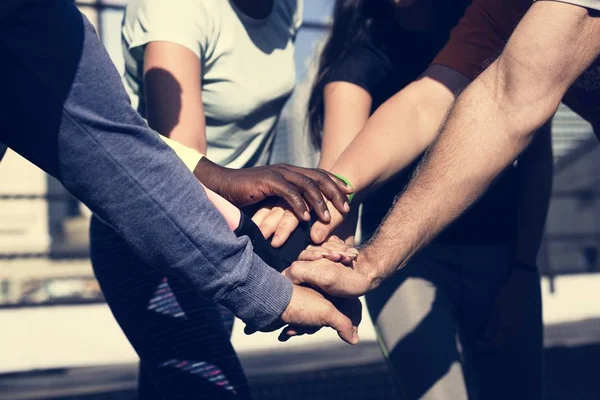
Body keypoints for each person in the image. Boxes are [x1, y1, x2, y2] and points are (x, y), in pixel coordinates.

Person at [0, 1, 359, 398]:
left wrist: (277, 250)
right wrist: (267, 282)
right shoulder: (174, 8)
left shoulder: (287, 10)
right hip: (157, 232)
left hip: (230, 234)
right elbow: (110, 146)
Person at [263, 0, 551, 398]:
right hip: (405, 265)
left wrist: (522, 269)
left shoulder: (498, 23)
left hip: (501, 257)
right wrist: (330, 272)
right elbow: (339, 186)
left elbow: (535, 160)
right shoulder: (358, 61)